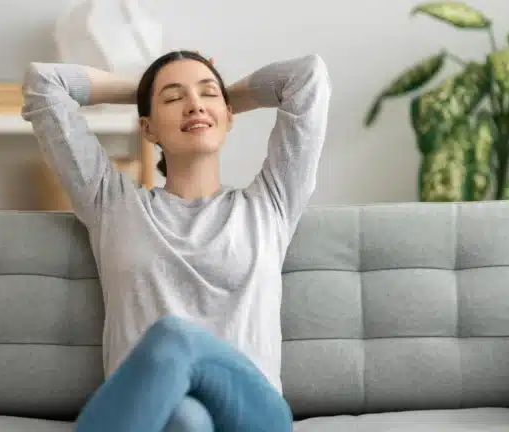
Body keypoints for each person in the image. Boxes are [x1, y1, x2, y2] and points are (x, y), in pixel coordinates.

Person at [21, 49, 330, 432]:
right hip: (159, 416)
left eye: (207, 94)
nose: (194, 105)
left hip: (254, 414)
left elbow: (306, 76)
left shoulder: (272, 202)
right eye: (173, 97)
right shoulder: (112, 205)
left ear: (229, 114)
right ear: (147, 128)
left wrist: (220, 94)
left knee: (175, 335)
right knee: (187, 419)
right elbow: (45, 84)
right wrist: (146, 88)